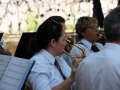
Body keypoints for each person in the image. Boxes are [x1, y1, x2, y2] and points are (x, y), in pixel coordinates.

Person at [27, 20, 82, 90]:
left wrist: (78, 69)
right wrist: (71, 78)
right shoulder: (37, 64)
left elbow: (74, 85)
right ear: (53, 42)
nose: (65, 43)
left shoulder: (59, 60)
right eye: (64, 39)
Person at [75, 6, 120, 90]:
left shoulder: (85, 63)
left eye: (97, 27)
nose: (97, 30)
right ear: (83, 32)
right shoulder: (79, 53)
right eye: (93, 28)